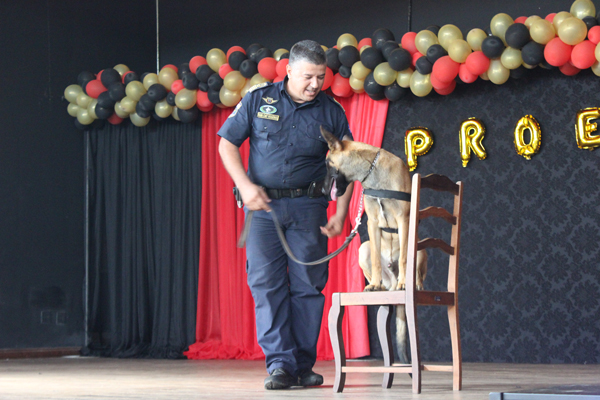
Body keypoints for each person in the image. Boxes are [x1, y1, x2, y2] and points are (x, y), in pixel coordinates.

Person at [217, 39, 355, 390]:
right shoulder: (257, 99)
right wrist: (245, 185)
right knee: (267, 285)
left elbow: (347, 165)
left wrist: (341, 213)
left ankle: (302, 366)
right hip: (264, 209)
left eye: (320, 77)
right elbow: (227, 143)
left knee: (309, 285)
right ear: (289, 70)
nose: (315, 84)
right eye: (308, 76)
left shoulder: (332, 111)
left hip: (309, 208)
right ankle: (280, 364)